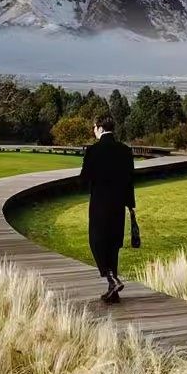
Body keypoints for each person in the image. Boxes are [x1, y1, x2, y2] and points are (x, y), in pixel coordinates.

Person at [79, 115, 139, 303]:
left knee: (96, 241)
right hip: (118, 204)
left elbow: (84, 177)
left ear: (99, 128)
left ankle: (111, 277)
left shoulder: (93, 150)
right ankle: (113, 292)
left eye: (94, 128)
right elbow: (130, 180)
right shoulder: (125, 150)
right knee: (113, 245)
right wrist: (131, 206)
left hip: (99, 203)